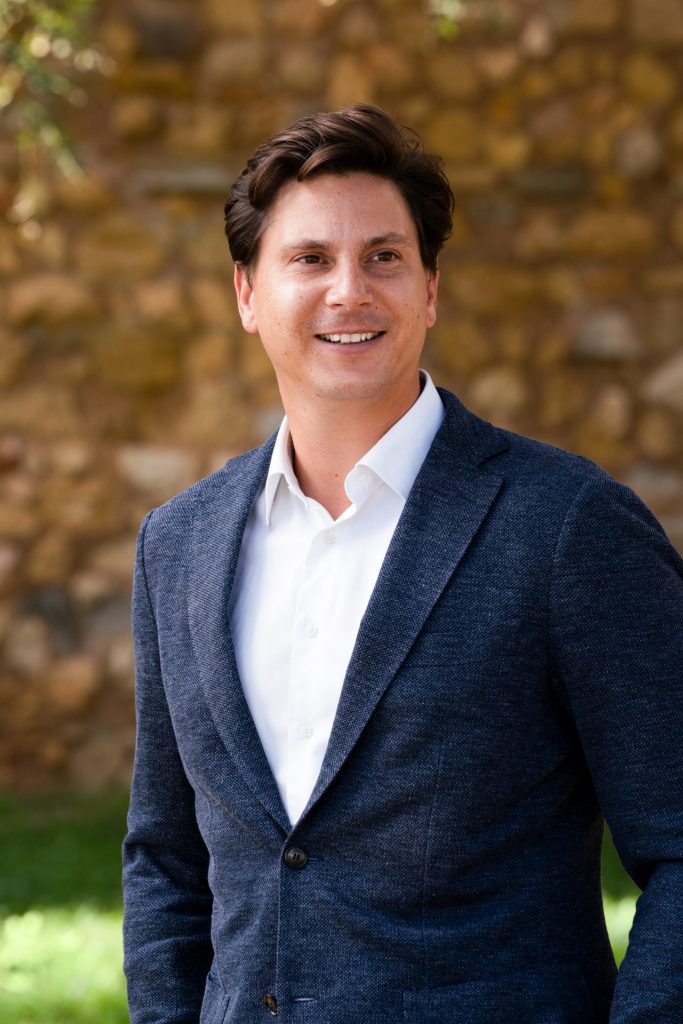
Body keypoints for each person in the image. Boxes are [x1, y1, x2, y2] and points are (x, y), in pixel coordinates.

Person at [123, 105, 683, 1024]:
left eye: (383, 257)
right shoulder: (177, 545)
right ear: (247, 295)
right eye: (310, 258)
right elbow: (165, 858)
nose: (349, 290)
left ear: (429, 290)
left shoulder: (565, 526)